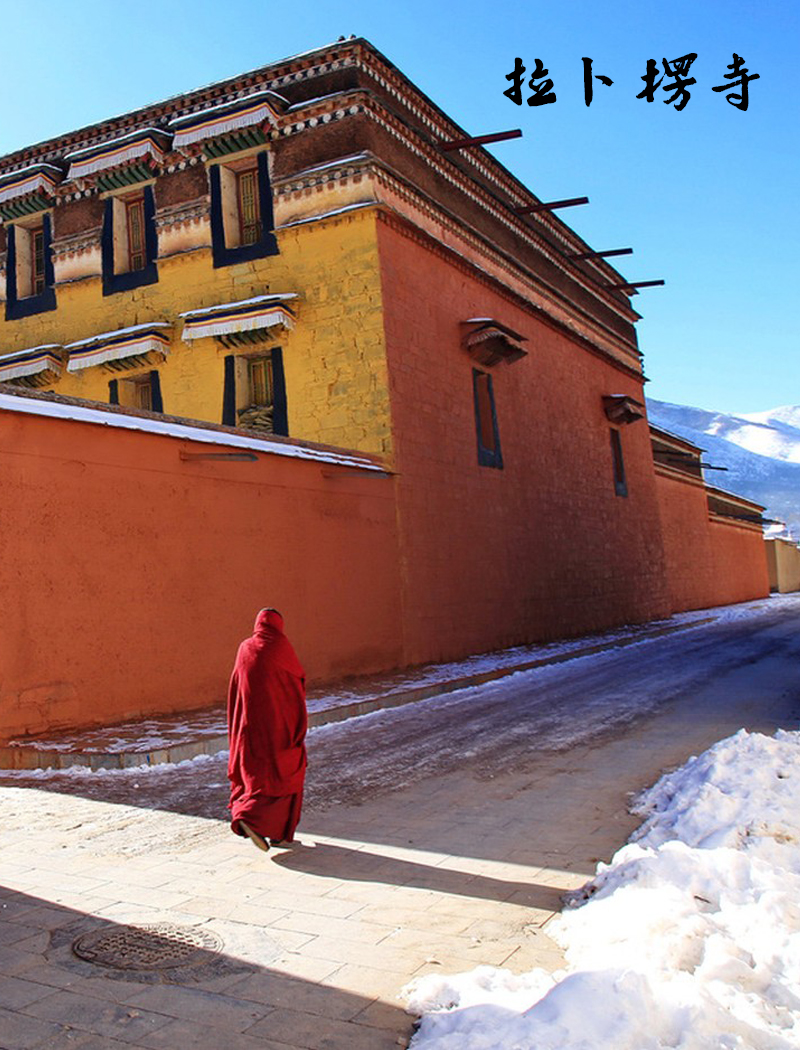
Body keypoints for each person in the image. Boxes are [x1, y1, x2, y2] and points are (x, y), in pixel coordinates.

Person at [227, 608, 307, 852]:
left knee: (255, 774)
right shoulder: (282, 648)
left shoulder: (245, 648)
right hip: (278, 727)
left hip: (249, 727)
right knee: (285, 772)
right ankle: (260, 823)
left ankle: (250, 815)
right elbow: (297, 682)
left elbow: (235, 687)